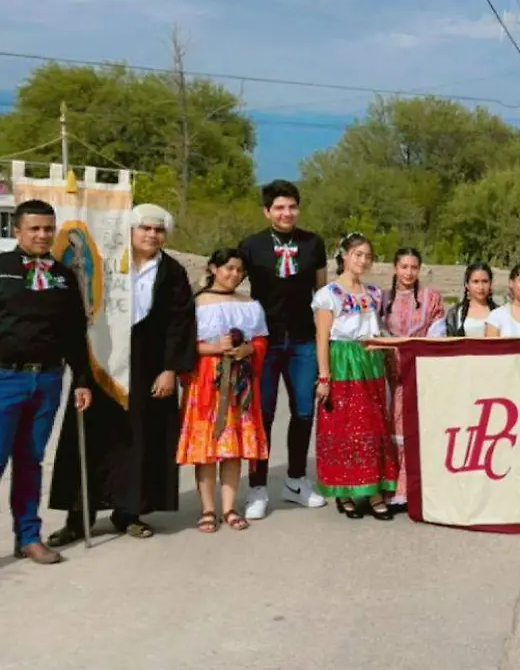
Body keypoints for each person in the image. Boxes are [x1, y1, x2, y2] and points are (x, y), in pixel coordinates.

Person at [48, 204, 197, 546]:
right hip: (102, 356)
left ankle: (128, 512)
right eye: (144, 228)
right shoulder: (108, 264)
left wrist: (171, 369)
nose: (151, 235)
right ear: (131, 231)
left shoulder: (172, 272)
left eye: (158, 230)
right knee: (90, 434)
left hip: (149, 362)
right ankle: (77, 516)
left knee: (139, 438)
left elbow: (180, 322)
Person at [0, 199, 92, 564]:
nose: (42, 235)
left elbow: (74, 332)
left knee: (30, 461)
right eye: (35, 228)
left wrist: (82, 379)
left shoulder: (63, 276)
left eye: (48, 229)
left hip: (48, 380)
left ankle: (28, 536)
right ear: (17, 230)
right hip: (5, 377)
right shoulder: (2, 268)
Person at [237, 179, 327, 519]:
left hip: (303, 338)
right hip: (265, 340)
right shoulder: (252, 245)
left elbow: (322, 294)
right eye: (279, 207)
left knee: (304, 411)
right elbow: (230, 281)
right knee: (264, 413)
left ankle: (296, 480)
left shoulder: (313, 243)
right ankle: (258, 486)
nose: (286, 212)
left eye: (291, 206)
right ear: (267, 211)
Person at [177, 249, 270, 533]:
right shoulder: (195, 303)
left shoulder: (251, 304)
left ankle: (230, 506)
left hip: (240, 381)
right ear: (213, 268)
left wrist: (248, 349)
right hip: (206, 380)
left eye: (239, 270)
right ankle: (208, 508)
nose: (234, 275)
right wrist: (213, 349)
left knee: (233, 446)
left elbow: (262, 340)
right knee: (206, 445)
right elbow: (183, 344)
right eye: (228, 268)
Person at [313, 234, 399, 520]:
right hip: (343, 361)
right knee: (345, 426)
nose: (363, 260)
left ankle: (373, 489)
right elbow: (322, 337)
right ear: (345, 256)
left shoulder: (374, 293)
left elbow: (378, 328)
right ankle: (345, 491)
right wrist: (324, 377)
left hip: (370, 360)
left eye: (367, 256)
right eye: (357, 254)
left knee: (374, 425)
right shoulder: (328, 294)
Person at [383, 247, 444, 512]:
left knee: (415, 424)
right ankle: (389, 485)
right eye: (404, 266)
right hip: (388, 368)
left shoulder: (431, 298)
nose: (408, 272)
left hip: (419, 367)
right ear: (395, 268)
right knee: (388, 424)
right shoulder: (382, 298)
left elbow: (438, 329)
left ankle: (411, 488)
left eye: (413, 267)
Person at [445, 263, 498, 337]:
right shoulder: (456, 313)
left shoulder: (500, 313)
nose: (481, 287)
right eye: (476, 282)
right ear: (467, 285)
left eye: (485, 281)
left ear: (490, 283)